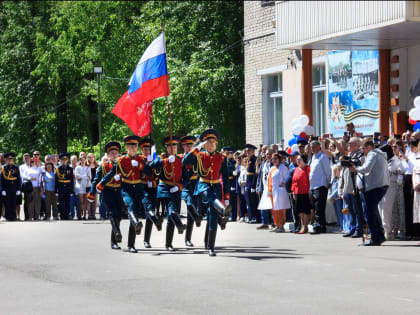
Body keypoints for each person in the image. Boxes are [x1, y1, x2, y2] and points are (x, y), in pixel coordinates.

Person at [99, 135, 151, 253]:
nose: (133, 148)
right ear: (127, 147)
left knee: (134, 212)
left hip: (138, 188)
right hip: (125, 189)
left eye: (135, 146)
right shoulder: (121, 160)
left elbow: (149, 172)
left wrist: (140, 166)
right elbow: (111, 173)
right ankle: (130, 229)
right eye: (131, 146)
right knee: (128, 210)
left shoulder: (140, 159)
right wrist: (101, 184)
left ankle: (131, 244)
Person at [183, 129, 232, 256]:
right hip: (203, 185)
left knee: (212, 216)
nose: (210, 144)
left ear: (216, 143)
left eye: (213, 142)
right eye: (208, 142)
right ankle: (223, 210)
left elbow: (226, 179)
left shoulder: (221, 158)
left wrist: (226, 197)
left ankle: (210, 246)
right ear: (205, 144)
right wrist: (197, 147)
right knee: (210, 198)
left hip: (216, 186)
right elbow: (185, 161)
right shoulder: (199, 155)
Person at [149, 136, 187, 251]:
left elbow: (186, 178)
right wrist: (165, 161)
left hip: (176, 189)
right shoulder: (162, 158)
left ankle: (169, 243)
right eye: (170, 146)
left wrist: (180, 186)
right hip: (164, 188)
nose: (173, 148)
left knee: (172, 218)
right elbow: (150, 166)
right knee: (171, 210)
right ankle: (179, 225)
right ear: (166, 147)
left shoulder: (180, 160)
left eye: (174, 145)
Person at [350, 139, 389, 246]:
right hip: (381, 185)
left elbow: (366, 169)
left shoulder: (372, 154)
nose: (362, 151)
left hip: (374, 186)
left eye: (363, 148)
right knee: (373, 211)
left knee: (369, 212)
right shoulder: (380, 155)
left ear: (369, 147)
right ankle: (379, 235)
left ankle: (375, 238)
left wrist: (356, 169)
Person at [88, 142, 124, 250]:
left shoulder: (122, 165)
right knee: (112, 213)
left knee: (119, 216)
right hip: (107, 192)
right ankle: (117, 233)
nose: (114, 154)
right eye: (112, 153)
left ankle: (114, 240)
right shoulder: (103, 166)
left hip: (119, 192)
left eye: (116, 153)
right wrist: (92, 192)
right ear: (107, 155)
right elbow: (96, 180)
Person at [339, 137, 365, 238]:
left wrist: (356, 188)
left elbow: (358, 171)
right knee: (351, 209)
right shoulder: (350, 154)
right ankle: (352, 228)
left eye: (350, 144)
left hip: (354, 186)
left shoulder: (359, 155)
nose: (348, 145)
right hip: (348, 186)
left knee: (357, 209)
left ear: (356, 145)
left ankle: (359, 229)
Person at [139, 138, 163, 249]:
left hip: (153, 189)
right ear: (141, 149)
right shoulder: (139, 159)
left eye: (149, 149)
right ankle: (157, 221)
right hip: (142, 188)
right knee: (148, 208)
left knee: (151, 213)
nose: (147, 151)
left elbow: (159, 165)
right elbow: (145, 171)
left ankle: (146, 240)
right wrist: (146, 164)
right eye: (145, 149)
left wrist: (153, 160)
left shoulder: (154, 158)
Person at [180, 136, 202, 247]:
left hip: (194, 185)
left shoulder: (196, 157)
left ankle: (187, 239)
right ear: (183, 146)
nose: (189, 147)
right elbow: (184, 161)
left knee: (190, 215)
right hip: (184, 185)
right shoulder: (180, 157)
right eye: (187, 145)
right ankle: (196, 215)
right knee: (188, 201)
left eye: (191, 145)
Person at [309, 140, 331, 234]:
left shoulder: (323, 157)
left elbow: (327, 171)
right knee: (316, 207)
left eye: (313, 146)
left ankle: (320, 226)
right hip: (313, 186)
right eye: (311, 147)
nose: (312, 148)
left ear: (319, 147)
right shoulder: (313, 157)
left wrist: (328, 182)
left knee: (319, 207)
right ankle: (319, 225)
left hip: (321, 185)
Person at [268, 152, 290, 232]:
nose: (274, 160)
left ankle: (281, 225)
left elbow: (287, 178)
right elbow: (269, 180)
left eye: (276, 158)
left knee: (281, 208)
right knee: (274, 209)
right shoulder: (271, 168)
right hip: (273, 191)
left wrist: (283, 183)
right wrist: (269, 190)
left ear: (279, 159)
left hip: (281, 191)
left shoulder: (283, 167)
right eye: (273, 159)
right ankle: (277, 224)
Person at [291, 155, 311, 234]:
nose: (298, 161)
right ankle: (302, 225)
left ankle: (305, 226)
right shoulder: (296, 169)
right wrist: (293, 191)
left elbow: (310, 179)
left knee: (305, 210)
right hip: (297, 192)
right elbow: (294, 181)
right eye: (297, 159)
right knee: (299, 211)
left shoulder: (307, 169)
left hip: (305, 192)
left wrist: (309, 190)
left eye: (299, 159)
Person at [256, 148, 274, 229]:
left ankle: (274, 222)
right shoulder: (263, 163)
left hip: (272, 188)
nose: (268, 155)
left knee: (272, 206)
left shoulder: (274, 163)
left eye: (270, 154)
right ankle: (265, 222)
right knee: (263, 205)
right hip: (263, 187)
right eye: (267, 154)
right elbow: (259, 176)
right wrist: (257, 186)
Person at [1, 153, 21, 221]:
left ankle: (13, 217)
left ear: (13, 160)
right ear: (6, 160)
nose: (10, 160)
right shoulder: (3, 168)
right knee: (7, 203)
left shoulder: (16, 167)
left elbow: (19, 178)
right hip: (7, 188)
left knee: (14, 202)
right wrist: (2, 189)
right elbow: (1, 180)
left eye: (11, 159)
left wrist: (18, 189)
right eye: (8, 159)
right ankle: (8, 217)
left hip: (14, 188)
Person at [55, 153, 74, 220]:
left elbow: (72, 180)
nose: (64, 161)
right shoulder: (58, 169)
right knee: (61, 202)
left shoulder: (70, 169)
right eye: (62, 160)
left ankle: (67, 214)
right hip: (60, 187)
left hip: (68, 187)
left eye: (65, 159)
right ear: (60, 160)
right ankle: (62, 215)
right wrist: (56, 190)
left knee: (67, 202)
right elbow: (56, 180)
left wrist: (72, 189)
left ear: (67, 160)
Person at [244, 144, 259, 224]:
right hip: (248, 183)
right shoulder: (248, 160)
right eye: (246, 151)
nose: (247, 152)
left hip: (252, 183)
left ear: (253, 151)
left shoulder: (254, 160)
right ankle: (250, 217)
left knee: (253, 202)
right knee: (249, 202)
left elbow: (255, 174)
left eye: (248, 151)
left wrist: (253, 186)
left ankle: (255, 217)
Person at [285, 151, 299, 232]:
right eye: (291, 157)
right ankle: (296, 224)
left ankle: (298, 225)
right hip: (291, 192)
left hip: (295, 192)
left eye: (294, 157)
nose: (292, 158)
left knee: (297, 209)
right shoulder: (291, 166)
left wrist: (293, 190)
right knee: (294, 209)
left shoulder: (298, 166)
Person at [75, 152, 92, 220]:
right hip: (80, 186)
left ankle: (85, 214)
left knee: (86, 201)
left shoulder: (88, 168)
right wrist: (85, 176)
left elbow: (90, 177)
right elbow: (77, 176)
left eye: (84, 159)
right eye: (81, 159)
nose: (82, 160)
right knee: (81, 201)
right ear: (80, 160)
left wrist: (82, 177)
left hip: (87, 186)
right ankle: (81, 214)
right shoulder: (77, 168)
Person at [328, 164, 343, 232]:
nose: (333, 173)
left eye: (335, 171)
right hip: (333, 198)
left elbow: (337, 190)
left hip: (338, 198)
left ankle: (342, 225)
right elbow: (331, 188)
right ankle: (339, 224)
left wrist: (331, 196)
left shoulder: (340, 179)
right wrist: (330, 196)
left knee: (340, 212)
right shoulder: (334, 179)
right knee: (337, 212)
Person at [87, 153, 99, 219]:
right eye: (89, 157)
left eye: (92, 157)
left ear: (94, 158)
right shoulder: (86, 165)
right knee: (89, 200)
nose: (91, 158)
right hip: (88, 185)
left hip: (95, 185)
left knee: (94, 200)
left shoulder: (97, 166)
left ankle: (93, 215)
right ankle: (89, 215)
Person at [19, 153, 31, 220]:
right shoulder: (21, 167)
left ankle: (34, 215)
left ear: (30, 158)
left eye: (28, 158)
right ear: (23, 159)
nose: (26, 159)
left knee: (33, 201)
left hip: (34, 184)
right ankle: (26, 216)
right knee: (26, 201)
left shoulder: (33, 165)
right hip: (25, 185)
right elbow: (22, 176)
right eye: (25, 158)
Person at [69, 155, 80, 219]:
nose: (73, 162)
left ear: (77, 160)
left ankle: (78, 215)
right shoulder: (69, 167)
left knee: (78, 201)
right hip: (71, 187)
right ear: (70, 161)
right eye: (72, 160)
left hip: (78, 187)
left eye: (75, 160)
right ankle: (72, 214)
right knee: (71, 201)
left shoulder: (79, 168)